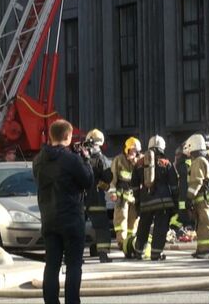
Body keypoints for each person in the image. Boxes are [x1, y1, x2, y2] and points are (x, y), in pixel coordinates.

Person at [33, 120, 93, 304]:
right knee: (74, 264)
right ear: (67, 136)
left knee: (52, 265)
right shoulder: (72, 159)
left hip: (49, 218)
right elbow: (88, 181)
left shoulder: (38, 160)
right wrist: (86, 159)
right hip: (71, 219)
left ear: (51, 136)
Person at [129, 135, 179, 261]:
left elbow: (134, 185)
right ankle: (156, 253)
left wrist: (138, 201)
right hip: (163, 202)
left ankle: (138, 252)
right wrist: (175, 203)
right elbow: (174, 185)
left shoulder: (139, 164)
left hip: (145, 202)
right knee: (160, 228)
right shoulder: (166, 163)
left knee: (143, 226)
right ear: (162, 147)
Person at [84, 129, 113, 263]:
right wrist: (101, 185)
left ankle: (75, 255)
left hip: (81, 200)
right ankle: (103, 255)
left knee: (78, 228)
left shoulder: (81, 158)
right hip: (96, 199)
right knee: (101, 228)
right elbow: (108, 178)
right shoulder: (101, 159)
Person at [109, 137, 142, 254]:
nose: (134, 153)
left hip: (135, 197)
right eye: (132, 150)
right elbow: (112, 178)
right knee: (121, 220)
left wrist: (135, 162)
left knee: (133, 222)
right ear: (127, 149)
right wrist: (112, 192)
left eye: (136, 151)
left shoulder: (140, 161)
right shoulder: (118, 160)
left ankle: (131, 243)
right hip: (122, 197)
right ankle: (122, 243)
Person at [185, 134, 209, 259]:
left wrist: (189, 197)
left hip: (203, 198)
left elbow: (196, 182)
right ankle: (202, 249)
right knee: (201, 224)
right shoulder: (202, 159)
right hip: (202, 198)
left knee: (205, 224)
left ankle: (207, 251)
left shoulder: (198, 161)